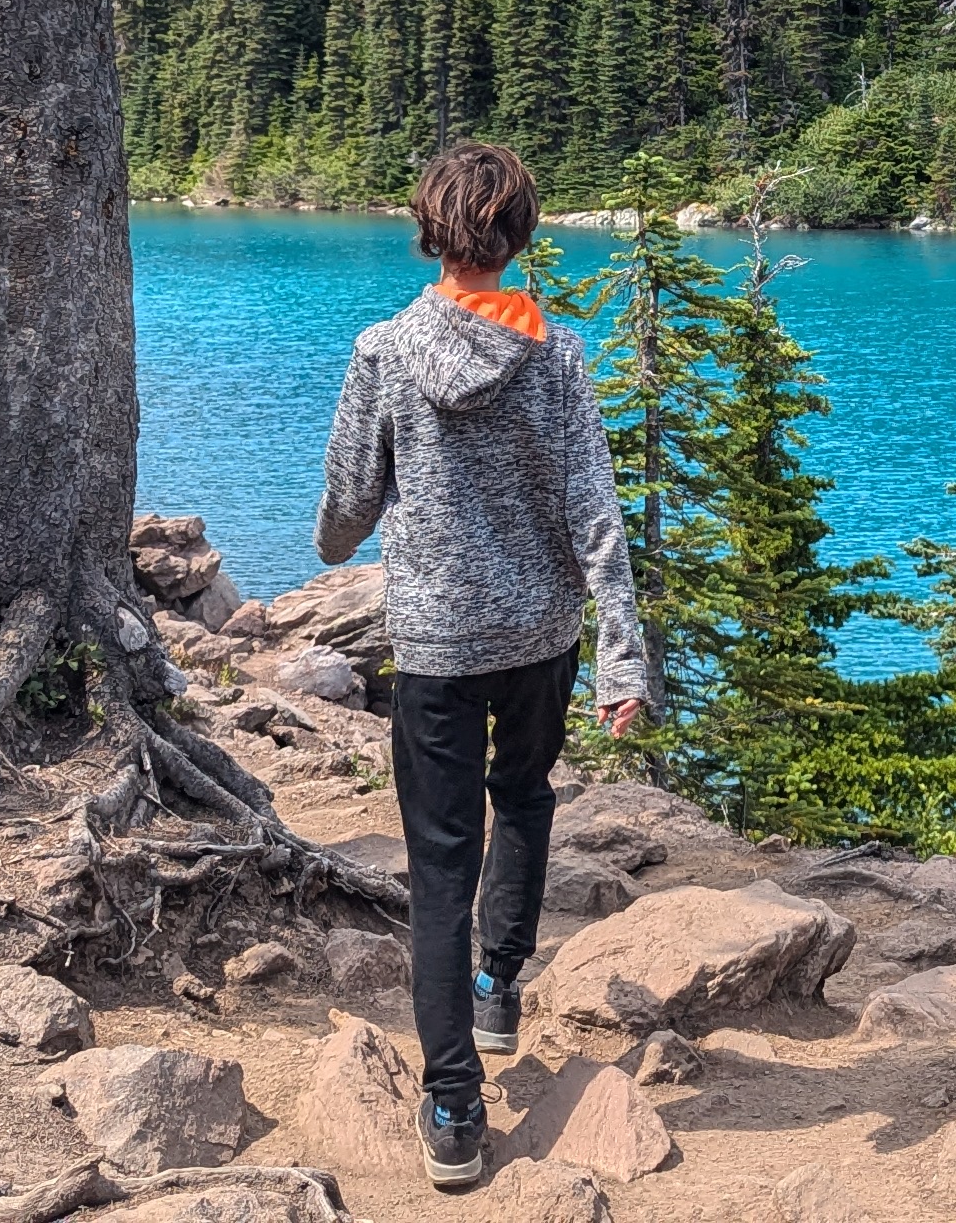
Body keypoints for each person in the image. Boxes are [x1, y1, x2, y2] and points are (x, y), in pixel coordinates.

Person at [317, 140, 650, 1189]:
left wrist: (335, 538)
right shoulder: (560, 357)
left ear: (431, 232)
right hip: (541, 638)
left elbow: (347, 509)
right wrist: (623, 659)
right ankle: (499, 983)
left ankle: (456, 1104)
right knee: (528, 795)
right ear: (520, 235)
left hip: (436, 646)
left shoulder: (383, 351)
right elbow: (596, 515)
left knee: (439, 868)